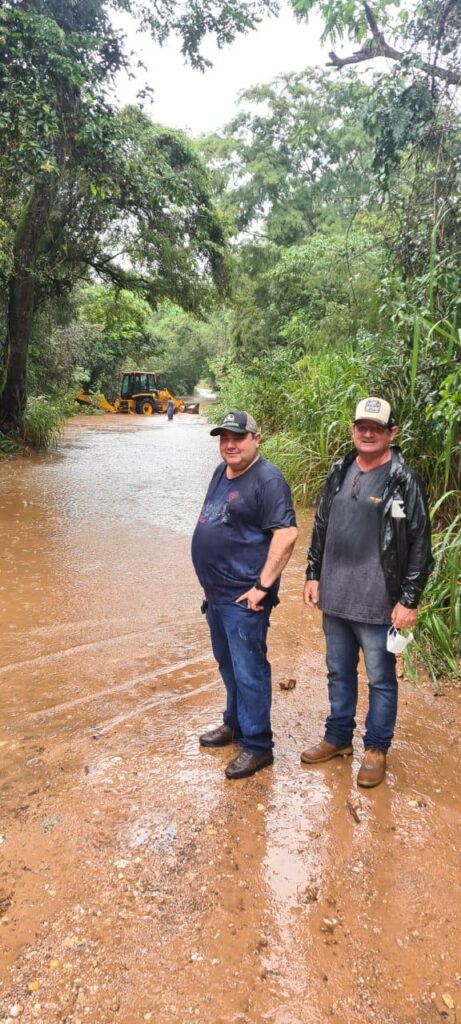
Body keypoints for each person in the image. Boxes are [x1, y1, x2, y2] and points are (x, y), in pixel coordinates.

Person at [302, 396, 433, 788]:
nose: (368, 433)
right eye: (362, 426)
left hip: (378, 603)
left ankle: (376, 748)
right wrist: (312, 573)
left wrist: (409, 599)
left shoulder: (403, 479)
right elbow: (321, 525)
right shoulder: (340, 469)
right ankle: (338, 738)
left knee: (380, 678)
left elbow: (419, 543)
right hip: (336, 598)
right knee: (338, 672)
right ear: (354, 430)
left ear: (392, 432)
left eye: (377, 427)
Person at [191, 410, 298, 779]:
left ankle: (257, 745)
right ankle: (234, 723)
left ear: (256, 438)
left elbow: (286, 535)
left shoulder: (268, 480)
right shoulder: (222, 471)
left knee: (250, 670)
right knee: (227, 664)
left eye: (237, 437)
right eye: (224, 438)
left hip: (244, 598)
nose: (230, 444)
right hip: (216, 595)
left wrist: (262, 588)